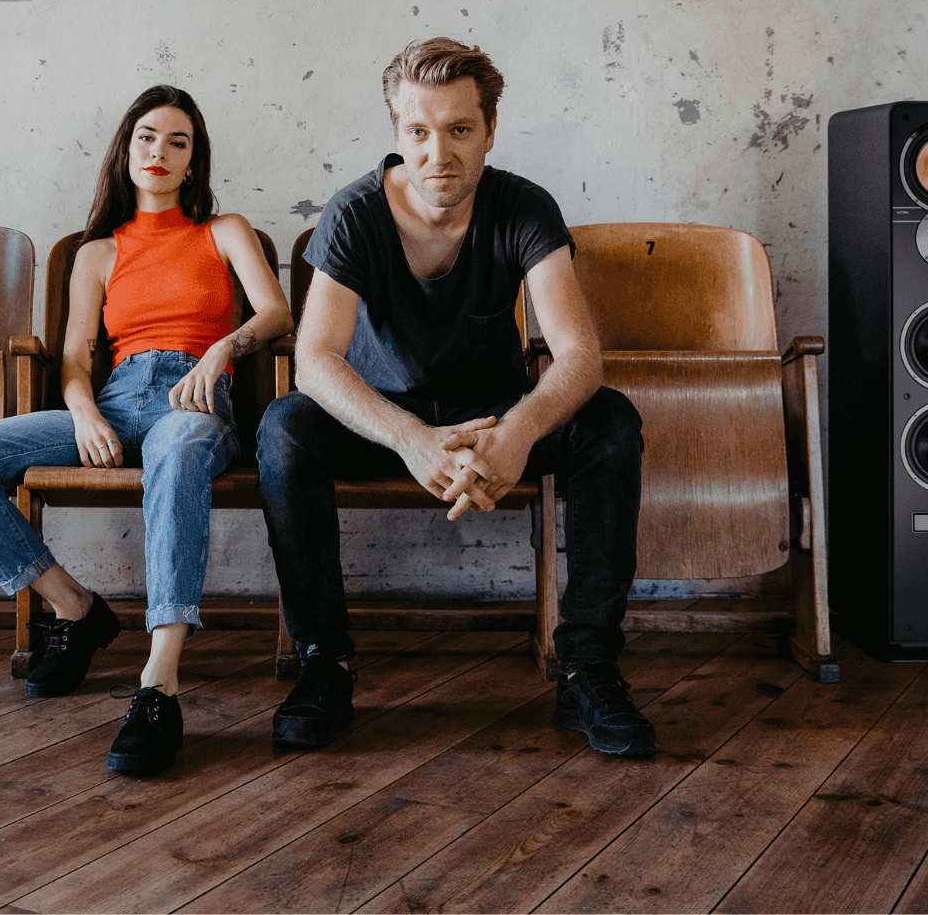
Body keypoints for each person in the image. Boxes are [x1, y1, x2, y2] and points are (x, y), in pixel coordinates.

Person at [257, 38, 654, 757]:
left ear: (490, 131)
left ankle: (588, 666)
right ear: (397, 133)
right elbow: (314, 360)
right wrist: (409, 437)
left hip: (498, 419)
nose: (438, 152)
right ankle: (325, 662)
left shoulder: (525, 206)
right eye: (418, 131)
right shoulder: (352, 215)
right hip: (383, 426)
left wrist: (520, 432)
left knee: (611, 422)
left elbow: (579, 356)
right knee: (285, 426)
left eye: (459, 130)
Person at [0, 85, 291, 775]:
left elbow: (276, 313)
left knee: (179, 453)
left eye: (177, 142)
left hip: (196, 398)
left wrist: (220, 351)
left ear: (193, 163)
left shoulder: (226, 231)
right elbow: (72, 358)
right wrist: (87, 412)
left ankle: (160, 679)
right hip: (116, 401)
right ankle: (75, 606)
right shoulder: (96, 252)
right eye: (148, 137)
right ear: (126, 149)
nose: (160, 151)